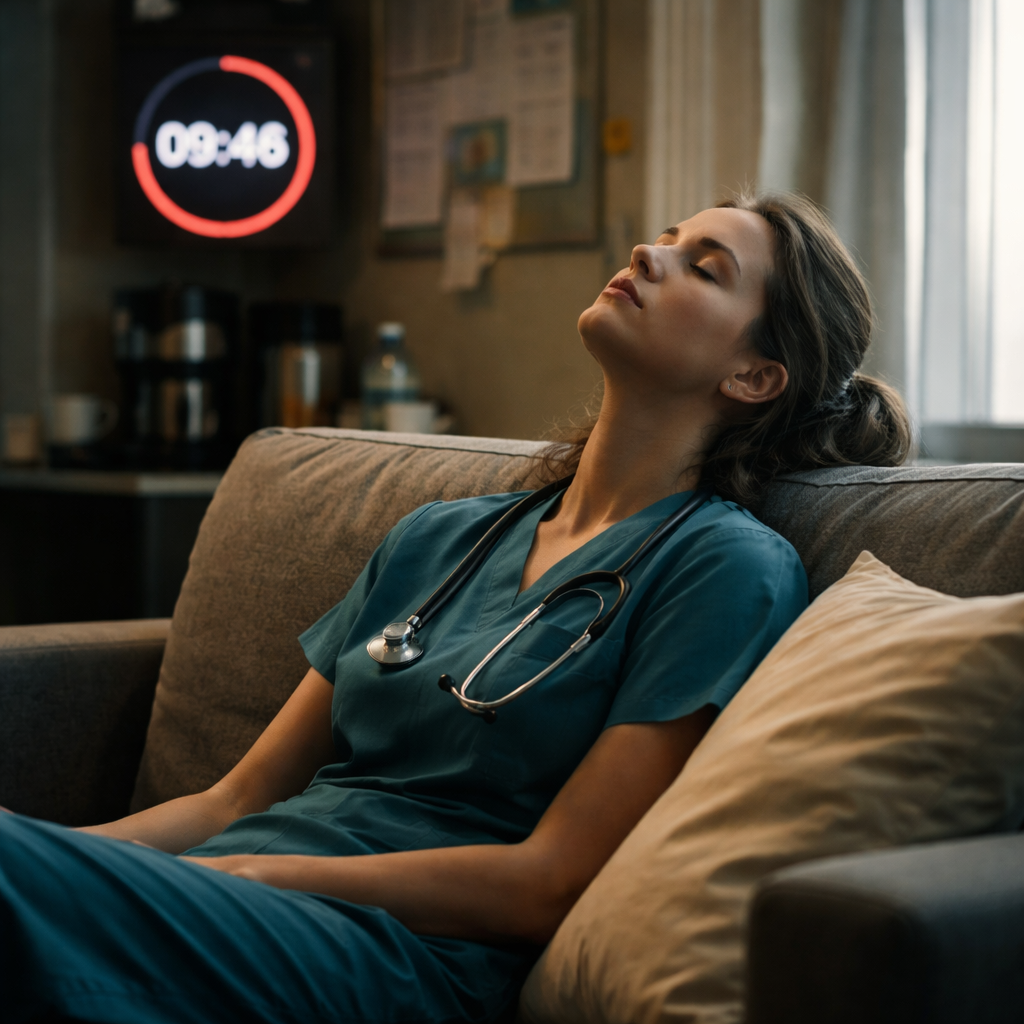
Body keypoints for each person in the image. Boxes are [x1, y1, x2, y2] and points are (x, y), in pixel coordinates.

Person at [2, 193, 910, 1024]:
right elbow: (237, 796)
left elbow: (548, 882)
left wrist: (252, 875)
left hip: (393, 955)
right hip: (230, 901)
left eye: (705, 267)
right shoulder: (438, 537)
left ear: (755, 377)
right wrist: (77, 858)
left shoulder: (723, 566)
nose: (648, 251)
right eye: (668, 237)